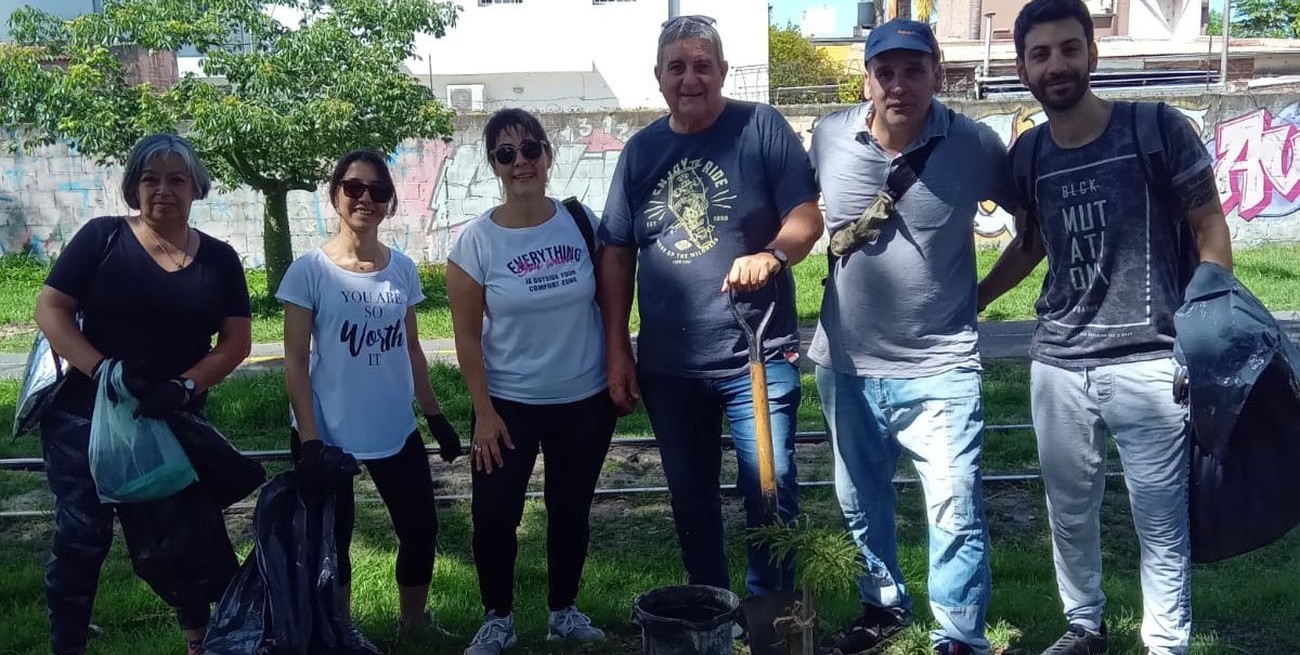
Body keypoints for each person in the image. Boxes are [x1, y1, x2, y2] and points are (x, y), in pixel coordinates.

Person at [977, 1, 1233, 653]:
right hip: (1058, 360)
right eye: (1040, 54)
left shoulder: (1156, 128)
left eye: (1068, 49)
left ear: (1093, 54)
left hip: (1149, 357)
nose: (1055, 65)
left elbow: (1210, 226)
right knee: (1069, 509)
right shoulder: (1029, 152)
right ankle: (1084, 627)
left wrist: (1205, 321)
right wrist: (973, 298)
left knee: (1160, 517)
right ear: (1022, 67)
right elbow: (1031, 243)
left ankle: (1165, 642)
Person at [597, 15, 823, 605]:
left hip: (757, 352)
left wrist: (771, 254)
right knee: (690, 497)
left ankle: (771, 615)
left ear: (722, 71)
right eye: (678, 66)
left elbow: (806, 218)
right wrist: (617, 347)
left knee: (770, 490)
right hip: (671, 367)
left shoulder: (761, 128)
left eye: (703, 65)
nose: (690, 78)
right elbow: (617, 254)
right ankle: (711, 612)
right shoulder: (642, 151)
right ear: (659, 77)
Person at [809, 19, 1015, 655]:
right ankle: (883, 606)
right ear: (867, 77)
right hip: (844, 360)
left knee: (955, 510)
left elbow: (1031, 223)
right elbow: (794, 212)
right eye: (885, 71)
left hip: (941, 364)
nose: (899, 84)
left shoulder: (975, 144)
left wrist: (978, 298)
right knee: (859, 499)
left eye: (913, 70)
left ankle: (958, 634)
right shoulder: (827, 137)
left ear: (936, 71)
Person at [33, 133, 252, 655]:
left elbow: (236, 342)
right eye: (150, 179)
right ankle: (68, 644)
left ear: (197, 187)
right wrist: (103, 370)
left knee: (180, 539)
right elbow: (50, 310)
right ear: (133, 187)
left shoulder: (220, 260)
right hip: (85, 419)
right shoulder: (101, 238)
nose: (164, 190)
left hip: (166, 417)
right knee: (81, 539)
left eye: (177, 179)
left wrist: (185, 387)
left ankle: (198, 642)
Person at [276, 149, 464, 645]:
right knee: (335, 544)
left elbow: (412, 347)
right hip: (330, 435)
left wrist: (435, 415)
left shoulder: (401, 269)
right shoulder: (309, 271)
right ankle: (342, 631)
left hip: (394, 429)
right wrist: (311, 440)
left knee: (421, 531)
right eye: (354, 188)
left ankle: (414, 624)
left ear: (390, 202)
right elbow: (295, 360)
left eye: (378, 191)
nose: (366, 199)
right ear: (335, 194)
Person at [447, 108, 616, 655]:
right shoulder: (475, 243)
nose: (520, 162)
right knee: (495, 516)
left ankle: (563, 611)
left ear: (547, 153)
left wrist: (620, 363)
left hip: (583, 399)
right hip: (507, 405)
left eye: (529, 149)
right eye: (506, 153)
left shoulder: (580, 220)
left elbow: (608, 305)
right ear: (494, 164)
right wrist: (484, 413)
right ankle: (497, 618)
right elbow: (467, 339)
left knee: (571, 510)